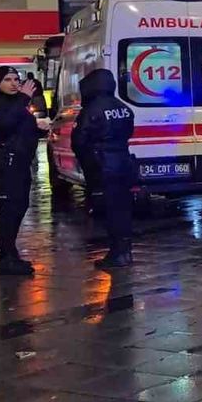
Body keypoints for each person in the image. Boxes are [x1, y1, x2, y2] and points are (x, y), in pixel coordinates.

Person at [0, 66, 49, 276]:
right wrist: (23, 99)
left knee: (20, 206)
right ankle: (7, 257)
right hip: (4, 164)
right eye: (8, 80)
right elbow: (1, 127)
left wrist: (39, 130)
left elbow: (22, 127)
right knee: (8, 210)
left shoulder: (19, 103)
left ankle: (8, 254)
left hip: (20, 163)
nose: (14, 84)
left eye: (16, 79)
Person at [71, 69, 135, 268]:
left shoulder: (91, 110)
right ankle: (125, 250)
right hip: (123, 161)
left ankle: (117, 253)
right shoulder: (122, 106)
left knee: (109, 209)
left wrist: (87, 162)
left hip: (102, 164)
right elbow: (128, 131)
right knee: (123, 208)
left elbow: (79, 140)